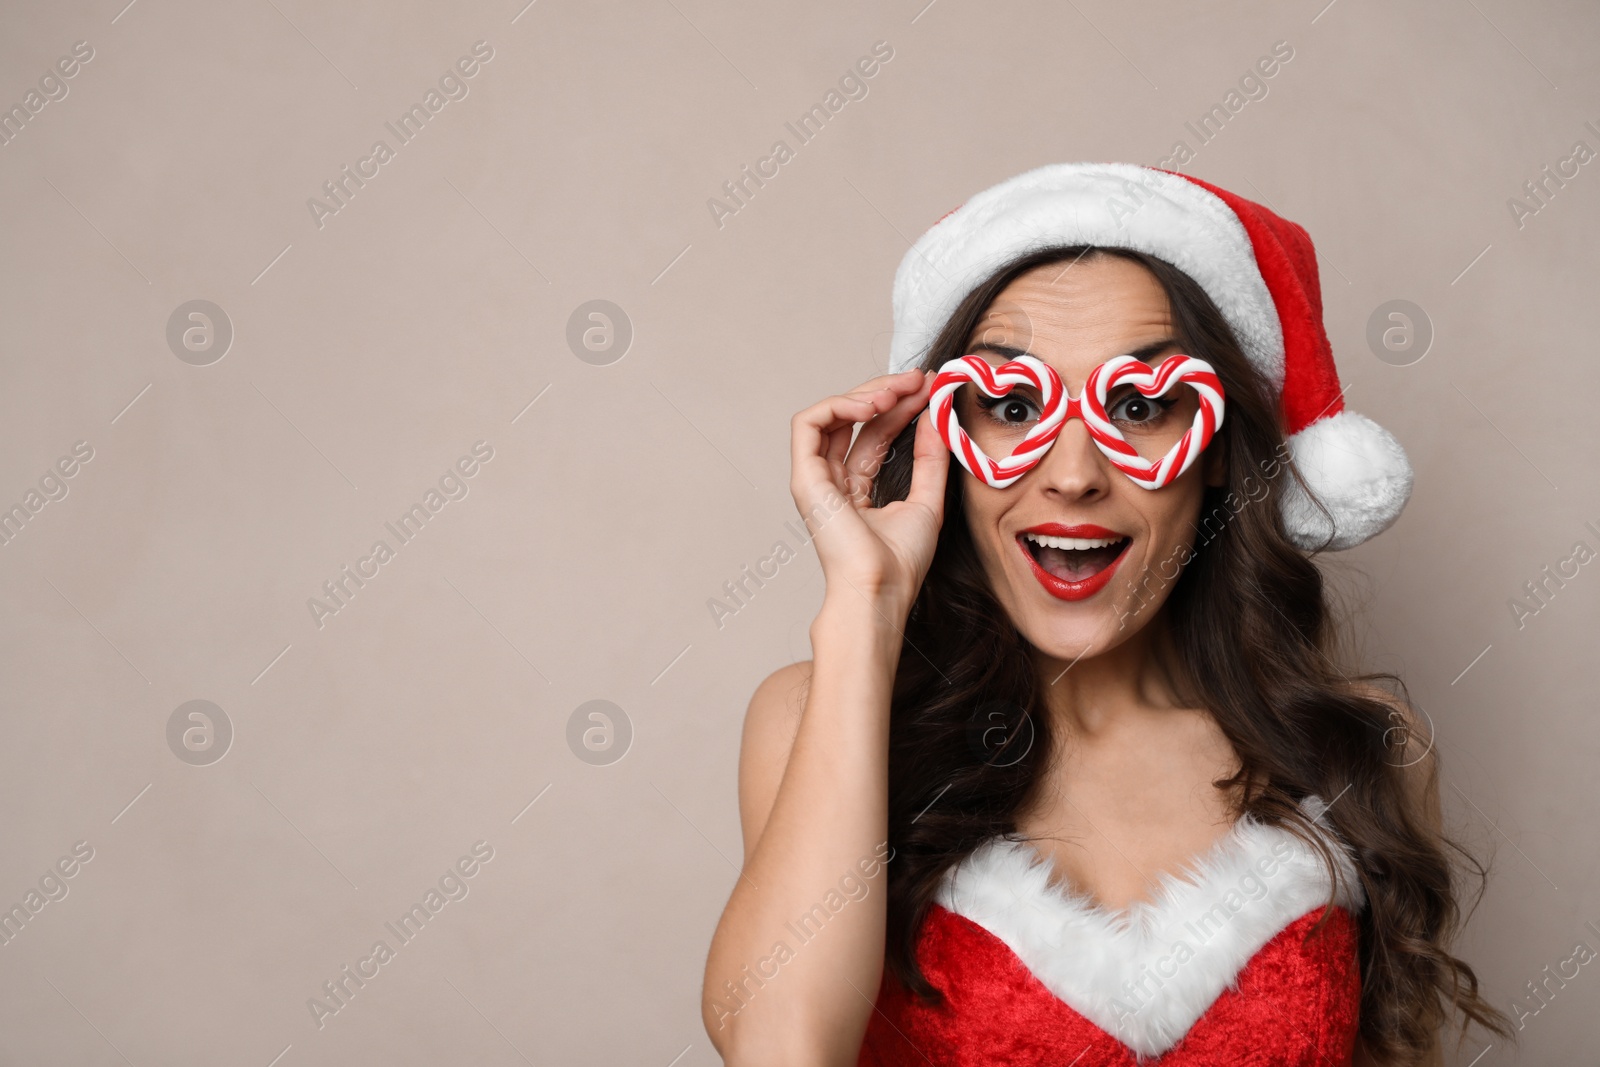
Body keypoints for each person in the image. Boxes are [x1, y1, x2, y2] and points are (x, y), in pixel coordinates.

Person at [701, 163, 1513, 1066]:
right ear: (947, 449)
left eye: (1140, 405)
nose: (1076, 473)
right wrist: (866, 605)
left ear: (1215, 453)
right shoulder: (817, 717)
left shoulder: (1365, 747)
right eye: (1012, 408)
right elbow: (780, 1049)